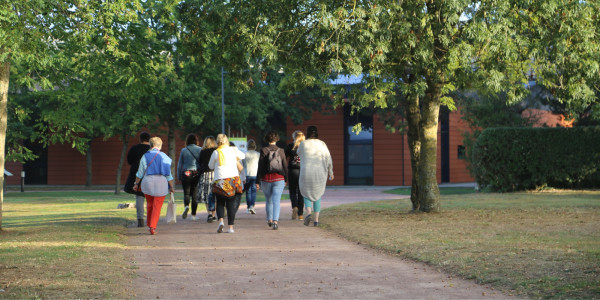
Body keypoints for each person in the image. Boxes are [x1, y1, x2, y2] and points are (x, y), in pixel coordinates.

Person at [133, 137, 176, 235]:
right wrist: (172, 187)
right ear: (160, 145)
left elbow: (140, 173)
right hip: (161, 182)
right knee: (157, 205)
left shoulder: (145, 156)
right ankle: (152, 227)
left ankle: (149, 224)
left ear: (151, 145)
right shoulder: (164, 157)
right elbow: (168, 175)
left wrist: (136, 184)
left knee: (150, 204)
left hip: (148, 181)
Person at [208, 134, 245, 233]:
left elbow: (210, 165)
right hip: (232, 179)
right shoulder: (233, 150)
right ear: (227, 141)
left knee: (219, 202)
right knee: (231, 204)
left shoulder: (216, 152)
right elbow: (243, 156)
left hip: (219, 180)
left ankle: (220, 221)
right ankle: (231, 228)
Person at [297, 126, 333, 227]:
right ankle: (316, 220)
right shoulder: (322, 144)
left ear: (307, 133)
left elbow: (298, 153)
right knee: (318, 195)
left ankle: (308, 213)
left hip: (306, 172)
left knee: (306, 193)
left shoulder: (303, 144)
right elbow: (328, 158)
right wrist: (330, 171)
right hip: (319, 171)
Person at [256, 131, 288, 230]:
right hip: (279, 179)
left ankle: (269, 219)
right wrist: (286, 178)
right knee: (276, 201)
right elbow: (284, 166)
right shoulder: (281, 151)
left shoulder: (263, 150)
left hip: (266, 179)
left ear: (267, 139)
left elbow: (260, 167)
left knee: (268, 200)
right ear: (277, 139)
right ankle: (275, 221)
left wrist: (257, 181)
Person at [124, 132, 151, 227]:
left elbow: (129, 160)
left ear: (140, 139)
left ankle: (140, 220)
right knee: (151, 198)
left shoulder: (134, 148)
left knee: (139, 196)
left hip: (137, 175)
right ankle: (152, 219)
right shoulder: (152, 150)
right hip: (150, 175)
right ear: (149, 139)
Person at [176, 134, 202, 220]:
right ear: (196, 140)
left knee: (186, 193)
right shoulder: (200, 149)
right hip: (196, 172)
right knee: (195, 194)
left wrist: (179, 175)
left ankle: (186, 206)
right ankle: (193, 215)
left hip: (186, 172)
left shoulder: (184, 150)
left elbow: (180, 164)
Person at [284, 130, 305, 220]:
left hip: (292, 170)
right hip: (302, 170)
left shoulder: (290, 146)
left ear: (294, 137)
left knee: (292, 191)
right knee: (301, 192)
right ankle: (300, 214)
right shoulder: (305, 146)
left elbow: (283, 157)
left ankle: (294, 207)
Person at [198, 136, 217, 223]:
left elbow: (199, 162)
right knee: (215, 194)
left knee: (206, 194)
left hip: (204, 174)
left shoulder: (202, 151)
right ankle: (214, 214)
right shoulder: (216, 151)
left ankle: (209, 213)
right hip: (214, 173)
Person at [242, 139, 260, 214]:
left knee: (248, 191)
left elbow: (242, 164)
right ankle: (252, 206)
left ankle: (248, 207)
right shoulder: (258, 154)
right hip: (255, 174)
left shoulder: (244, 154)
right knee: (253, 190)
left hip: (247, 174)